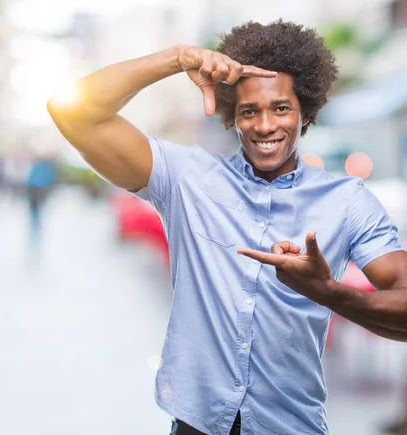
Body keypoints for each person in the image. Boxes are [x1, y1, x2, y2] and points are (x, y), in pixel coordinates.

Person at [47, 19, 407, 435]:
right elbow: (71, 111)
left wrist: (327, 292)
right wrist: (175, 57)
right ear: (230, 116)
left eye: (281, 108)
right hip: (195, 426)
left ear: (304, 111)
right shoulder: (186, 178)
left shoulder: (346, 201)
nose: (265, 125)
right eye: (249, 111)